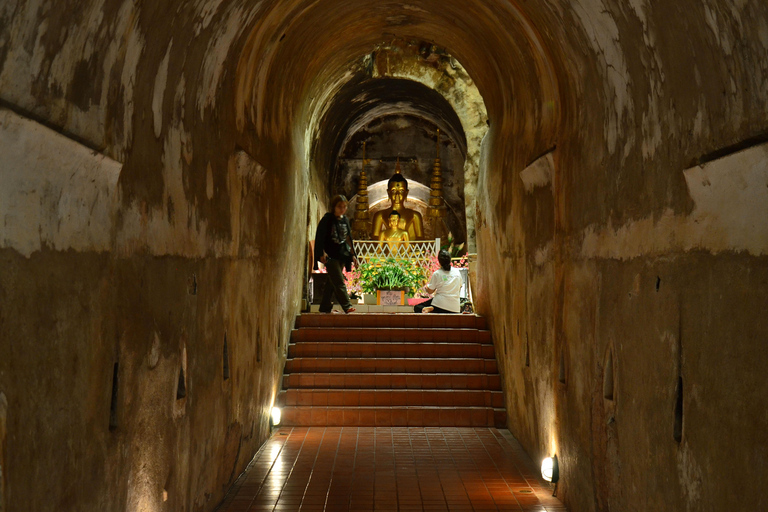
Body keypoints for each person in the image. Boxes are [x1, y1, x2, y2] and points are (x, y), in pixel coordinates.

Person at [314, 195, 358, 313]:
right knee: (338, 281)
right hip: (331, 256)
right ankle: (347, 305)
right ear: (334, 207)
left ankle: (324, 306)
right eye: (339, 207)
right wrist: (321, 253)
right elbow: (320, 237)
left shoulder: (345, 220)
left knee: (331, 282)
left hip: (342, 255)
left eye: (344, 207)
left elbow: (349, 238)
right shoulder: (327, 219)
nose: (342, 209)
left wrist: (353, 255)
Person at [371, 171, 424, 240]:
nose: (397, 194)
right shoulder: (380, 215)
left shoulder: (415, 215)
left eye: (401, 191)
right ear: (388, 192)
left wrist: (410, 246)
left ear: (406, 193)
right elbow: (375, 237)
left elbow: (420, 239)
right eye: (393, 191)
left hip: (409, 249)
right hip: (386, 249)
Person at [414, 249, 462, 314]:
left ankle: (432, 308)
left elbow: (430, 291)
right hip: (455, 308)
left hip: (439, 305)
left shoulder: (437, 273)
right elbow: (460, 287)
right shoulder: (457, 272)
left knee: (417, 307)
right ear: (450, 260)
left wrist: (426, 287)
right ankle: (432, 308)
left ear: (439, 261)